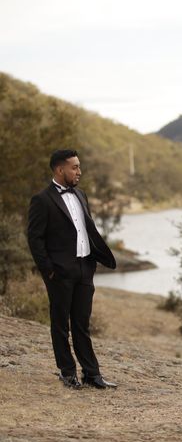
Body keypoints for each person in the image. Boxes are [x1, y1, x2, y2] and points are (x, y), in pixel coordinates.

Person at [27, 149, 117, 389]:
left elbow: (86, 230)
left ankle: (92, 374)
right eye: (74, 167)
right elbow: (34, 239)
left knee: (81, 324)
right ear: (60, 170)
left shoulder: (81, 195)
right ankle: (67, 373)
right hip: (59, 273)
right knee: (60, 325)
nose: (79, 171)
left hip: (84, 268)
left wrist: (92, 263)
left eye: (79, 166)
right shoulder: (42, 200)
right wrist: (49, 270)